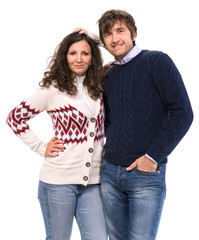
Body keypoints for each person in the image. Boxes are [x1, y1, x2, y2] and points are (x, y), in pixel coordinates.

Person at [76, 9, 194, 240]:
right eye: (107, 34)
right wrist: (90, 38)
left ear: (134, 34)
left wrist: (152, 157)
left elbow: (183, 113)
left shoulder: (156, 61)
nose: (114, 38)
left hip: (145, 174)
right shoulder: (108, 73)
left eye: (121, 31)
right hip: (109, 172)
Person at [6, 32, 108, 240]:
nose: (79, 59)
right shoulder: (52, 88)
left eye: (85, 53)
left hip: (94, 183)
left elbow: (120, 50)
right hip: (58, 182)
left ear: (93, 58)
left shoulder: (99, 85)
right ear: (64, 56)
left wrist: (94, 37)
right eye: (73, 53)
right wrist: (40, 147)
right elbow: (15, 118)